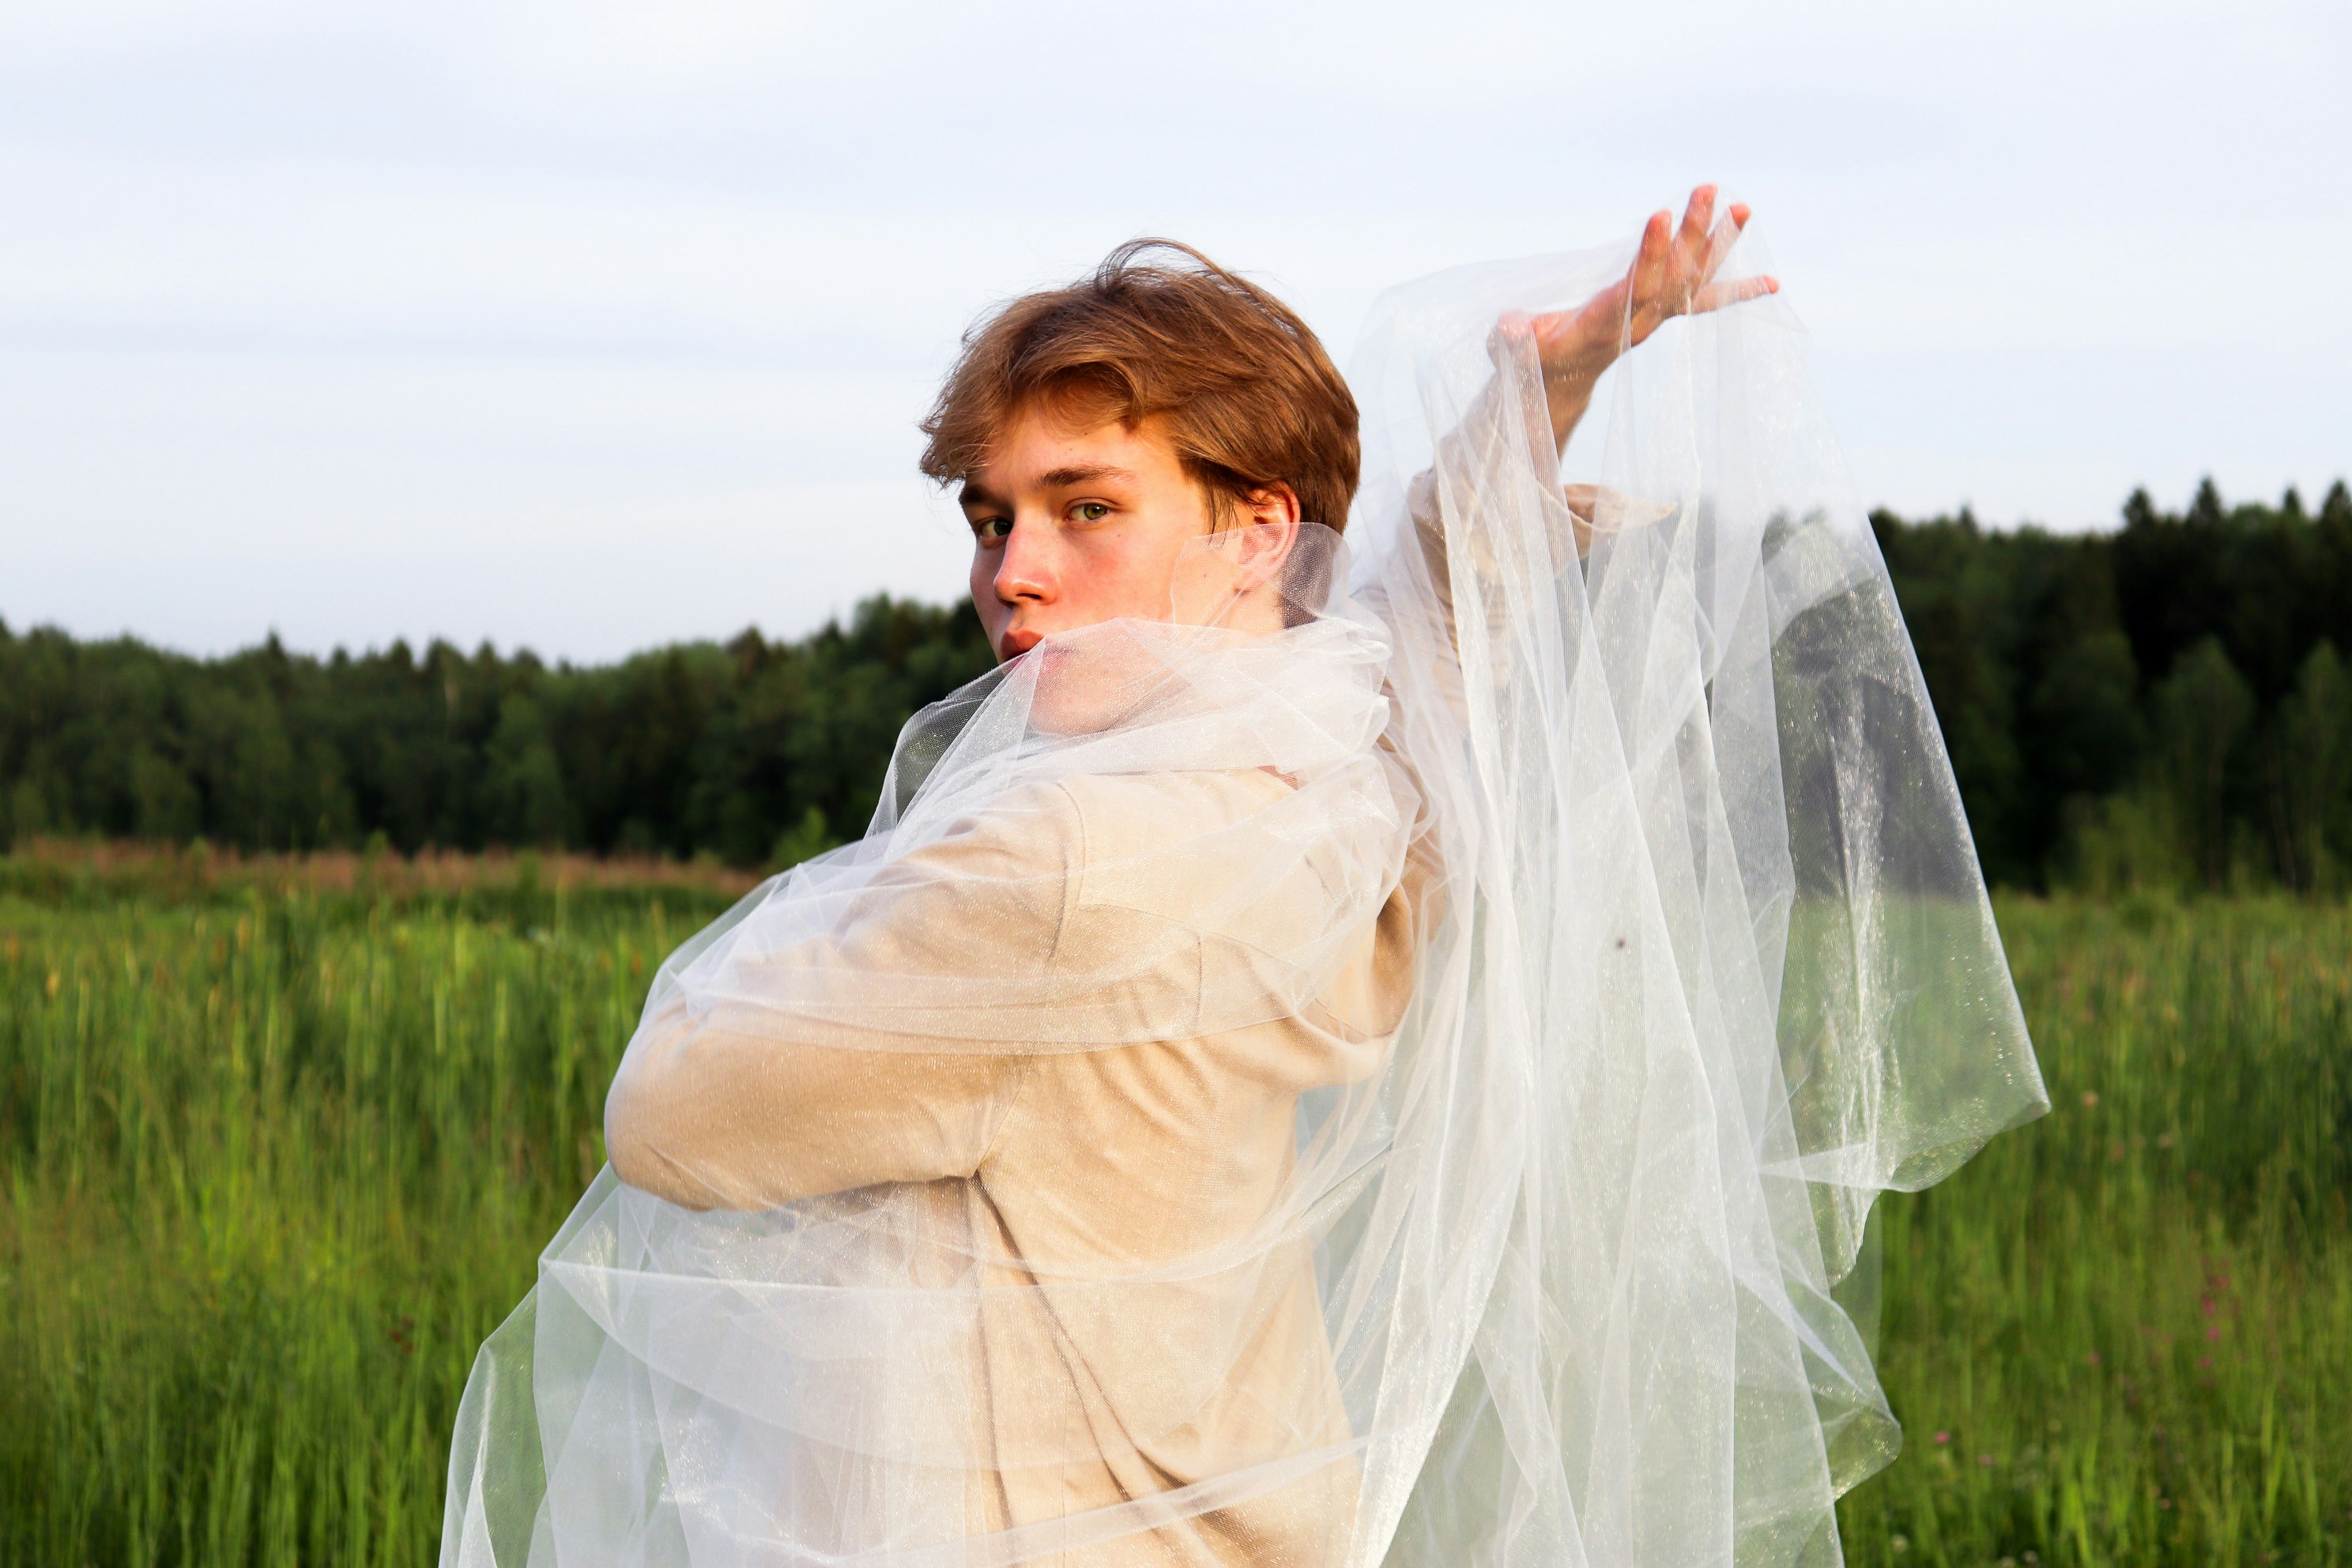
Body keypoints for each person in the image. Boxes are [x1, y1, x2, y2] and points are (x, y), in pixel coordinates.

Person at [441, 189, 2046, 1568]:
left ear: (1258, 529)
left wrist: (824, 951)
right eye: (992, 517)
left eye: (1089, 509)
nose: (1014, 575)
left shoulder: (1057, 858)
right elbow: (1438, 626)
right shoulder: (1335, 791)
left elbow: (670, 1108)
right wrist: (1538, 403)